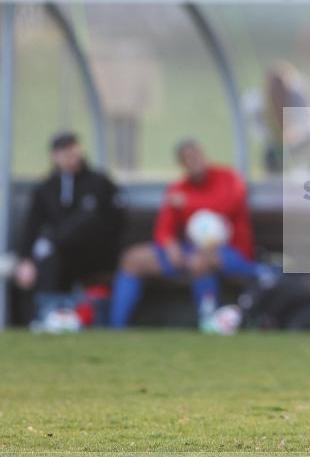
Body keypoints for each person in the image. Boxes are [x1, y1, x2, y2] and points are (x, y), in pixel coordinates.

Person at [109, 140, 276, 329]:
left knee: (199, 262)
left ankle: (209, 323)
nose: (194, 161)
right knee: (132, 259)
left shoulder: (229, 178)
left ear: (204, 155)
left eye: (197, 155)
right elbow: (164, 228)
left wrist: (187, 203)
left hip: (230, 251)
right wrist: (170, 246)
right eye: (188, 158)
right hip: (191, 250)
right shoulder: (178, 189)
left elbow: (226, 206)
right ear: (182, 164)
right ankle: (116, 327)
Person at [14, 132, 124, 321]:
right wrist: (25, 259)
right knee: (38, 264)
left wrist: (50, 241)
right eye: (63, 152)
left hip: (96, 254)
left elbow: (106, 222)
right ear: (54, 156)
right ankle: (42, 317)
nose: (69, 156)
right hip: (59, 256)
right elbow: (32, 225)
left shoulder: (98, 183)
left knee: (50, 253)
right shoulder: (46, 188)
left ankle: (50, 315)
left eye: (72, 150)